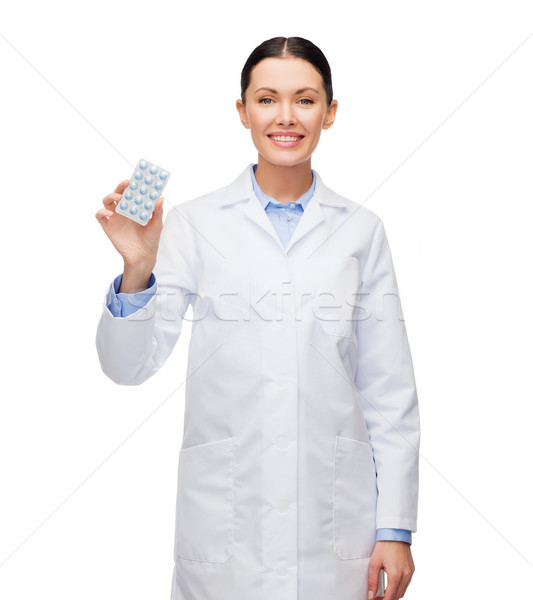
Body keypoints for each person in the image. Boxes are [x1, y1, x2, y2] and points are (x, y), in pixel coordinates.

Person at [95, 36, 421, 600]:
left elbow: (388, 389)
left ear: (331, 112)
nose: (286, 117)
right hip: (226, 529)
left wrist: (395, 528)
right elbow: (128, 367)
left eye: (306, 99)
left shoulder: (362, 231)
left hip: (335, 530)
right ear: (242, 111)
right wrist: (138, 268)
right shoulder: (195, 225)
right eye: (267, 99)